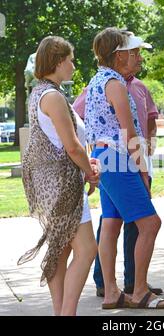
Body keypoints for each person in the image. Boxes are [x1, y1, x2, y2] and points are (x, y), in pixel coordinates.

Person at [85, 27, 164, 309]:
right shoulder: (115, 84)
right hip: (117, 158)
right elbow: (129, 132)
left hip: (104, 156)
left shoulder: (98, 81)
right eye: (134, 53)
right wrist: (143, 171)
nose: (139, 58)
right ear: (119, 55)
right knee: (150, 223)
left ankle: (112, 293)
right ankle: (139, 291)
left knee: (111, 224)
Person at [18, 36, 99, 316]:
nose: (74, 66)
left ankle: (61, 313)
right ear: (58, 61)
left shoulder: (41, 92)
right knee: (87, 250)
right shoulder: (52, 96)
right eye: (71, 60)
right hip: (63, 186)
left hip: (54, 185)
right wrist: (90, 172)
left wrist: (86, 167)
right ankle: (67, 313)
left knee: (61, 250)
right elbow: (72, 146)